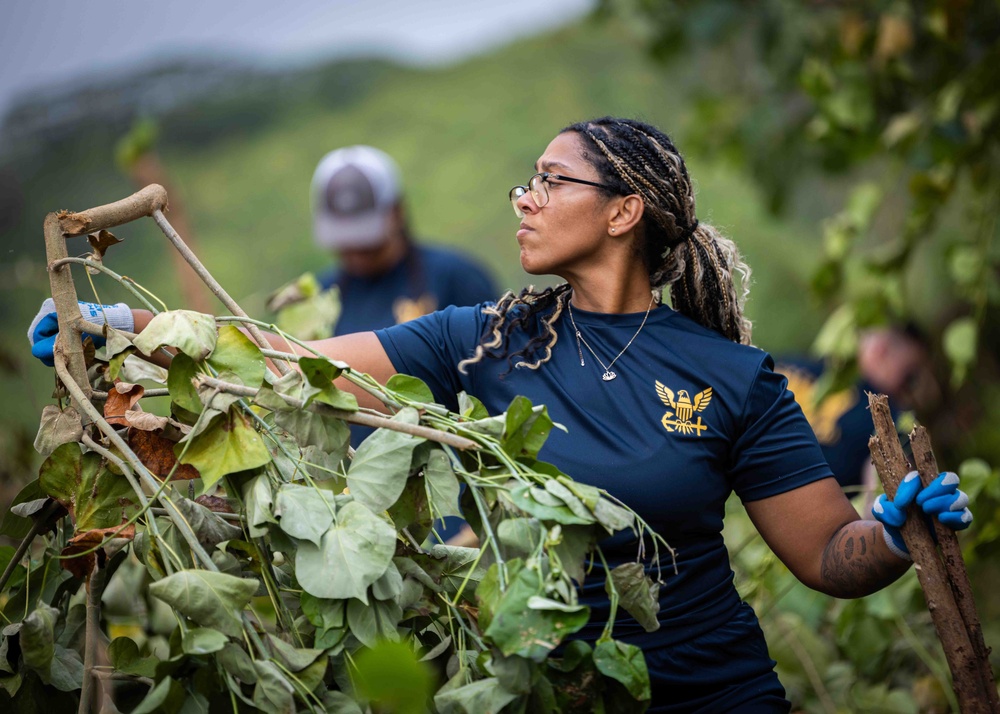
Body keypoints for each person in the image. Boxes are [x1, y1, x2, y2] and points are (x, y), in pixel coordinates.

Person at [30, 117, 973, 712]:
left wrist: (894, 539)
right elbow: (290, 361)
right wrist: (129, 328)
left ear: (622, 212)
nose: (525, 197)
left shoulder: (734, 376)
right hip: (550, 690)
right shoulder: (483, 340)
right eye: (528, 178)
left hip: (715, 690)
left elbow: (825, 558)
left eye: (552, 181)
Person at [308, 145, 498, 336]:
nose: (356, 249)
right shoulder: (317, 298)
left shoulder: (456, 279)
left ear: (397, 211)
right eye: (345, 241)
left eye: (366, 241)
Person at [775, 323, 938, 496]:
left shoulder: (890, 418)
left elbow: (887, 486)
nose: (879, 348)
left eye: (909, 377)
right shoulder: (816, 363)